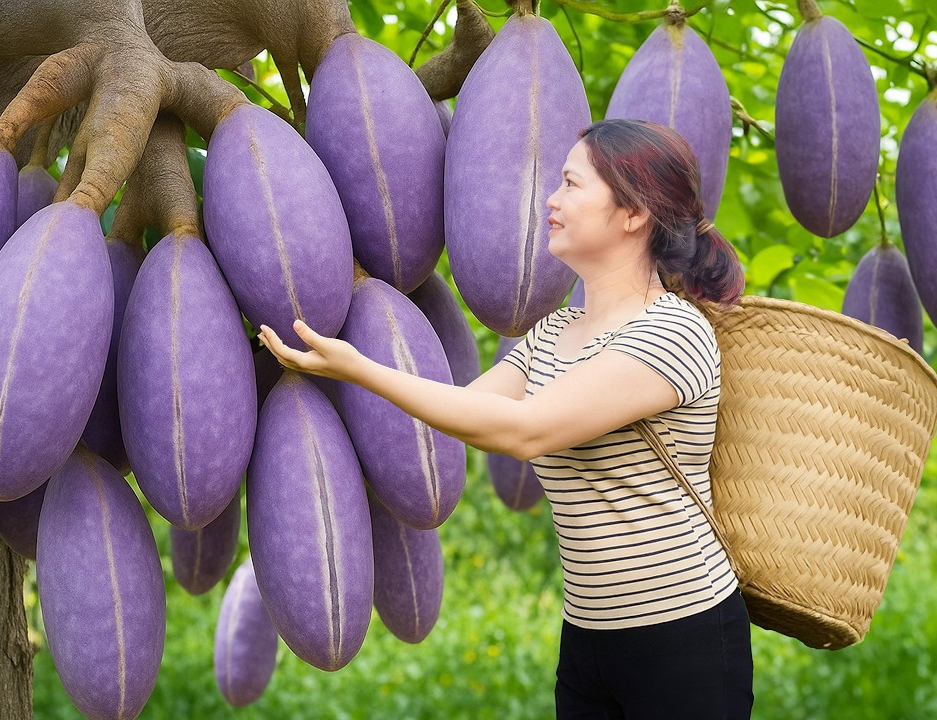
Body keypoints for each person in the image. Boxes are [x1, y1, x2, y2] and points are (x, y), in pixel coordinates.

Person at [258, 118, 752, 719]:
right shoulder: (554, 334)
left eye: (572, 184)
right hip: (588, 636)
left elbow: (522, 430)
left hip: (684, 634)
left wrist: (359, 369)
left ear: (633, 214)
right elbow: (463, 410)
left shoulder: (673, 331)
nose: (552, 198)